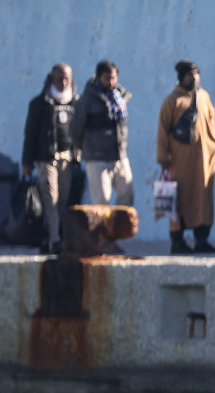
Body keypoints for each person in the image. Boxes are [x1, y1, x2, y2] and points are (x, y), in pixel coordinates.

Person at [157, 59, 215, 254]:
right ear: (181, 77)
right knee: (180, 199)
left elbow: (211, 124)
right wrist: (163, 158)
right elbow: (162, 131)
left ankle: (201, 240)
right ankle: (178, 241)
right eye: (189, 74)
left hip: (203, 161)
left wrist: (214, 146)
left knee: (203, 199)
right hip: (180, 161)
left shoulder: (204, 97)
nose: (193, 78)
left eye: (196, 74)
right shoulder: (172, 100)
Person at [20, 63, 78, 254]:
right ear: (52, 77)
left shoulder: (75, 103)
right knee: (50, 198)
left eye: (67, 78)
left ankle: (53, 235)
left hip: (67, 159)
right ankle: (54, 240)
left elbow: (79, 131)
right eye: (60, 78)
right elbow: (30, 134)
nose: (63, 82)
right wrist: (27, 163)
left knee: (62, 201)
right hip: (47, 159)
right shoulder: (40, 103)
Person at [72, 60, 133, 212]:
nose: (111, 82)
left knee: (127, 196)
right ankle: (103, 235)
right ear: (99, 77)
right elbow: (75, 129)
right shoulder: (87, 100)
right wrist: (82, 149)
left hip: (119, 156)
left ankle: (116, 231)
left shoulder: (119, 98)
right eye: (107, 78)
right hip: (97, 158)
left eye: (114, 78)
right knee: (101, 203)